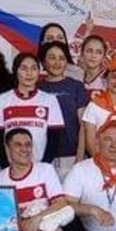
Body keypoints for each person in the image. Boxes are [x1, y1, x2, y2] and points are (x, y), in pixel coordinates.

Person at [0, 53, 65, 166]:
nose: (29, 73)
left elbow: (54, 138)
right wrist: (6, 166)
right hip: (11, 167)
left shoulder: (49, 100)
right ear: (15, 71)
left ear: (39, 72)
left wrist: (43, 166)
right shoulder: (2, 100)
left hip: (40, 166)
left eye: (34, 68)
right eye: (24, 68)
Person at [37, 41, 84, 177]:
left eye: (61, 58)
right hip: (41, 157)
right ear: (43, 62)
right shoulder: (36, 88)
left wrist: (79, 158)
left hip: (71, 157)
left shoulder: (76, 86)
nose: (57, 63)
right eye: (52, 58)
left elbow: (83, 125)